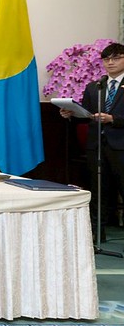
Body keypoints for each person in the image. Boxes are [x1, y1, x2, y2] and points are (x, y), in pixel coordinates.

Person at [60, 42, 124, 243]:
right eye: (106, 59)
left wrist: (113, 119)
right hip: (97, 146)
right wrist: (70, 113)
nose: (110, 62)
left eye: (116, 58)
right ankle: (97, 234)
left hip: (121, 146)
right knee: (98, 191)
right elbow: (87, 114)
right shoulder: (95, 86)